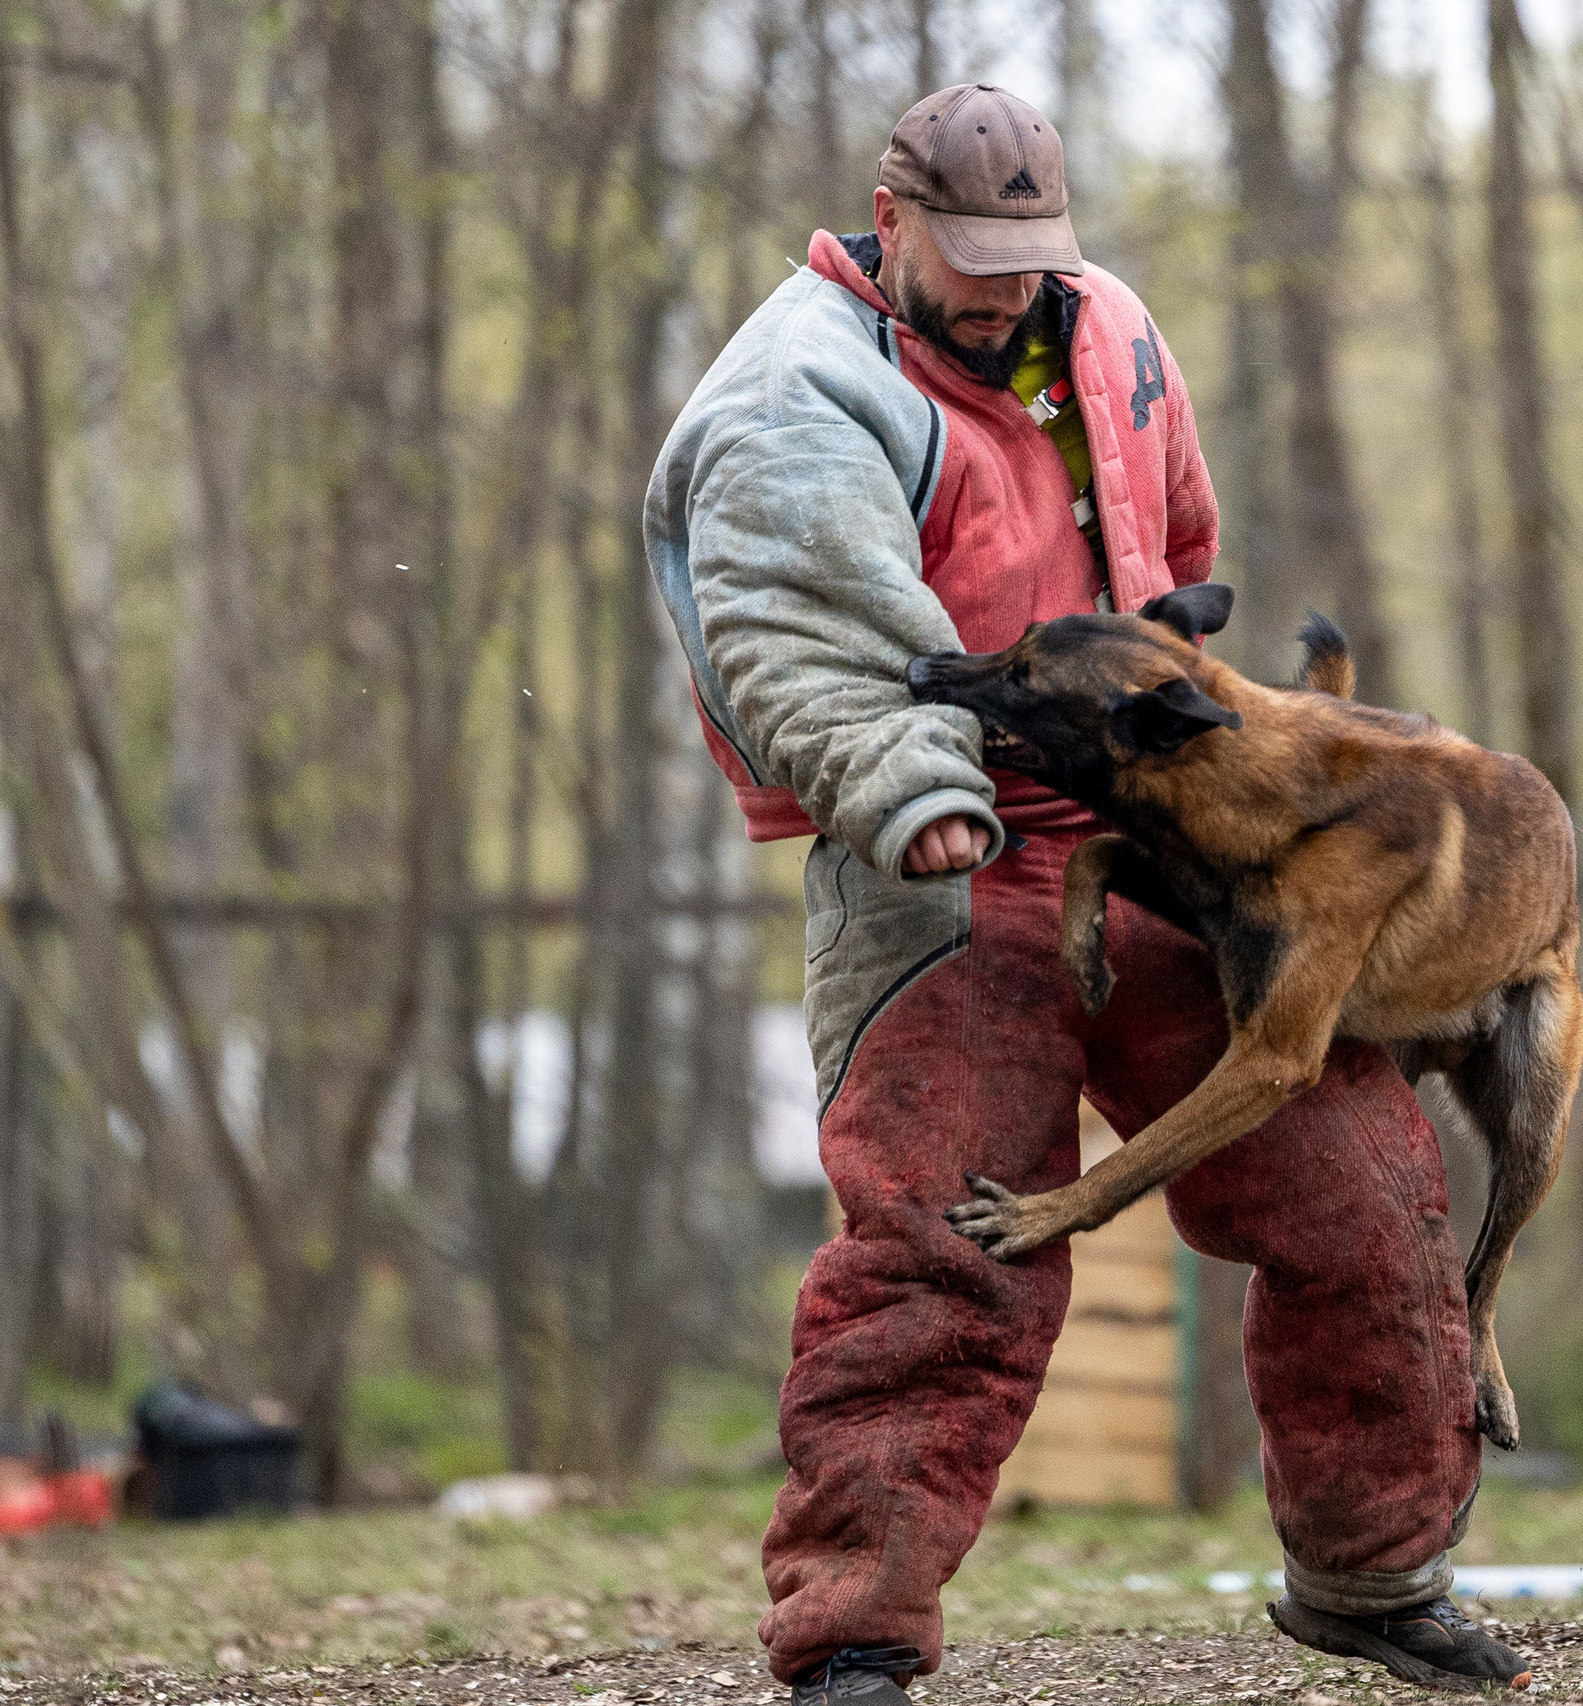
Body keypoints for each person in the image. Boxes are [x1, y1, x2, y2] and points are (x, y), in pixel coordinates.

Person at [646, 84, 1532, 1705]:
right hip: (939, 856)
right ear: (889, 220)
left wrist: (1230, 751)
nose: (1006, 293)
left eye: (1030, 260)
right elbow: (794, 635)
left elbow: (1172, 546)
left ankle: (1374, 1573)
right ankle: (855, 1633)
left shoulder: (1110, 328)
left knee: (1363, 1192)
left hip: (1169, 841)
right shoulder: (795, 393)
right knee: (940, 1248)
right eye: (972, 263)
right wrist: (913, 793)